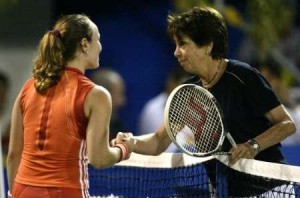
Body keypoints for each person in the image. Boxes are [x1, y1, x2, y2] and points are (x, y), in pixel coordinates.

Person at [115, 6, 296, 197]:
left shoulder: (243, 76)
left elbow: (286, 124)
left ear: (208, 45)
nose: (176, 52)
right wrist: (132, 142)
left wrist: (253, 146)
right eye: (176, 45)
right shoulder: (188, 92)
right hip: (231, 192)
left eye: (183, 44)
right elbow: (158, 141)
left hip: (272, 189)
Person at [6, 14, 134, 198]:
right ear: (84, 44)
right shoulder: (97, 95)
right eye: (98, 39)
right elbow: (99, 159)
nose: (100, 46)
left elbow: (13, 154)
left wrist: (15, 194)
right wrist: (124, 149)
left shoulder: (28, 87)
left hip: (22, 190)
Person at [138, 65, 189, 152]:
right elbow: (161, 149)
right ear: (171, 83)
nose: (185, 94)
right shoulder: (152, 110)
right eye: (182, 88)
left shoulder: (196, 110)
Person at [89, 68, 127, 141]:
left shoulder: (117, 127)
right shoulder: (80, 130)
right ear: (102, 96)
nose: (122, 102)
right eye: (119, 95)